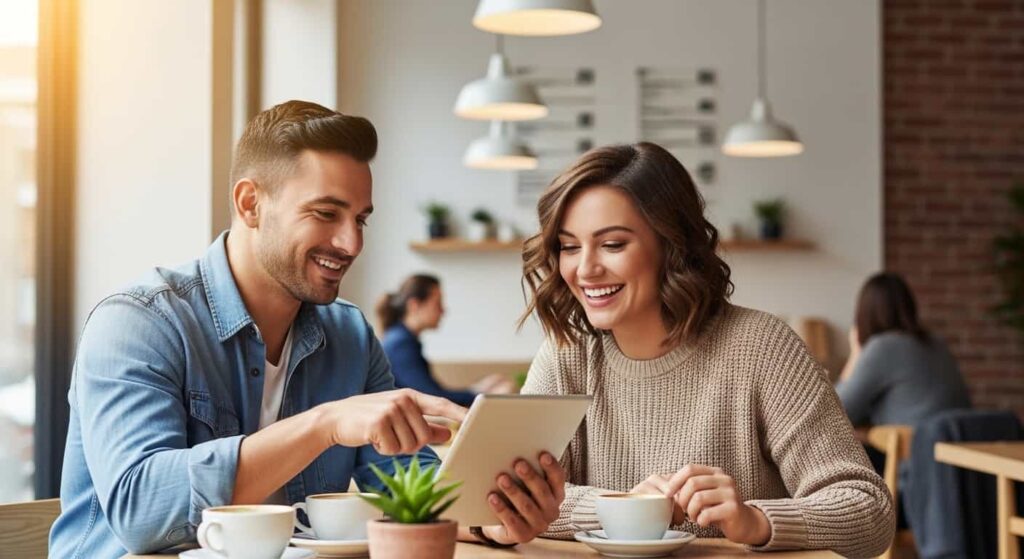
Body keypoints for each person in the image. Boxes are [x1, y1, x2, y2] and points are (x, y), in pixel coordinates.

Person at [49, 101, 564, 558]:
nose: (351, 243)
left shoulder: (350, 336)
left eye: (360, 219)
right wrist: (324, 424)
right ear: (250, 203)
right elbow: (141, 512)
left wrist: (489, 518)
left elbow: (406, 486)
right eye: (325, 213)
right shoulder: (139, 322)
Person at [517, 142, 894, 556]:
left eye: (613, 244)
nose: (585, 269)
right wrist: (618, 505)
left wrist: (755, 520)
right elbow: (510, 499)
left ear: (671, 245)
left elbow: (869, 511)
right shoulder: (566, 355)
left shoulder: (763, 348)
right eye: (569, 247)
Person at [836, 272, 971, 429]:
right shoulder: (937, 342)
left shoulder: (883, 347)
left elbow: (835, 414)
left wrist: (855, 354)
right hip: (960, 439)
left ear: (864, 313)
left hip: (918, 442)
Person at [377, 274, 515, 407]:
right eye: (437, 303)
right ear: (414, 305)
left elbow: (432, 393)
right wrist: (482, 396)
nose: (443, 310)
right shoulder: (401, 344)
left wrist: (477, 390)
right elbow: (431, 398)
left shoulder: (400, 339)